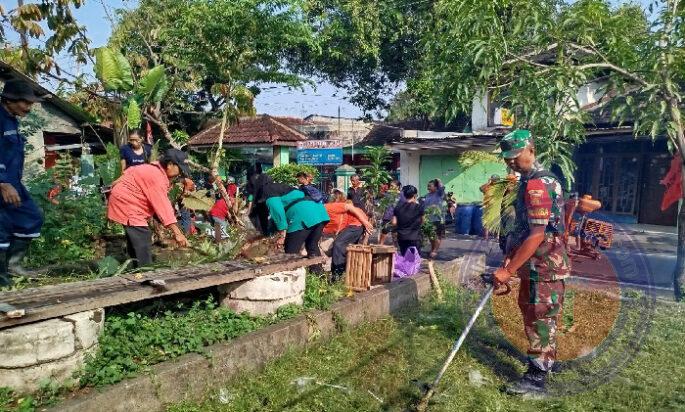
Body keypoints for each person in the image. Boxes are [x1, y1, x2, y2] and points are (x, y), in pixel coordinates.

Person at [493, 129, 570, 396]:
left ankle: (537, 379)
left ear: (531, 150)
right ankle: (543, 361)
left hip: (545, 265)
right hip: (533, 264)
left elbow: (537, 234)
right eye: (507, 158)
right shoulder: (528, 181)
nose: (511, 162)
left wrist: (508, 270)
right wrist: (510, 256)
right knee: (533, 313)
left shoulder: (539, 184)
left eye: (515, 156)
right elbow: (523, 227)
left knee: (540, 318)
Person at [107, 149, 191, 267]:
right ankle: (145, 273)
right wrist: (178, 233)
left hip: (126, 201)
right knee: (142, 236)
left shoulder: (155, 169)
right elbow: (163, 206)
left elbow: (130, 172)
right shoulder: (156, 176)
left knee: (136, 237)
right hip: (127, 203)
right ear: (170, 165)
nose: (180, 173)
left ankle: (135, 267)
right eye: (180, 169)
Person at [0, 80, 45, 286]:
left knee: (31, 216)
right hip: (2, 185)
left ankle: (13, 265)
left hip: (13, 184)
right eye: (25, 102)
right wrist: (2, 183)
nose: (28, 107)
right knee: (1, 229)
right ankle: (2, 278)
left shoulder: (12, 119)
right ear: (8, 99)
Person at [253, 177, 330, 267]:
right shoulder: (282, 187)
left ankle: (292, 276)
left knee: (291, 251)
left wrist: (282, 235)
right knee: (312, 245)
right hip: (319, 213)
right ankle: (318, 275)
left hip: (302, 215)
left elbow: (277, 210)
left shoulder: (266, 190)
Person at [324, 188, 374, 281]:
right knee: (345, 248)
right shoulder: (340, 207)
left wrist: (365, 223)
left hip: (355, 225)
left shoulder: (329, 206)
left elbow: (351, 209)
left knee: (338, 245)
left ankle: (337, 275)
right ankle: (344, 274)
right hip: (356, 226)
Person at [391, 185, 424, 256]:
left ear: (404, 195)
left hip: (402, 237)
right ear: (415, 195)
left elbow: (394, 222)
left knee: (405, 257)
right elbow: (423, 221)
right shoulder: (419, 207)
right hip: (415, 237)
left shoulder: (398, 207)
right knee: (414, 259)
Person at [422, 179, 446, 259]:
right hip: (429, 219)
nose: (428, 187)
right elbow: (424, 207)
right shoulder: (427, 195)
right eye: (427, 186)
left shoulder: (439, 194)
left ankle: (435, 250)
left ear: (436, 187)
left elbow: (442, 187)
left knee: (437, 236)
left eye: (430, 186)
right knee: (431, 236)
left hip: (438, 219)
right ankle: (432, 249)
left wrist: (439, 181)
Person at [378, 179, 404, 245]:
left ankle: (395, 247)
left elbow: (404, 205)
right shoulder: (388, 194)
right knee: (384, 231)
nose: (391, 187)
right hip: (387, 216)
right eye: (390, 186)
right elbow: (381, 198)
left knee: (395, 233)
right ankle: (380, 245)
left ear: (397, 187)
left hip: (397, 217)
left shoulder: (402, 195)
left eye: (392, 186)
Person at [480, 175, 500, 240]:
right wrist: (488, 183)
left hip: (497, 207)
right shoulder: (488, 187)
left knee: (497, 222)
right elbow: (481, 188)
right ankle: (486, 237)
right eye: (493, 180)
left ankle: (497, 236)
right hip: (488, 207)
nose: (494, 181)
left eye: (495, 180)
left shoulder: (500, 187)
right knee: (487, 222)